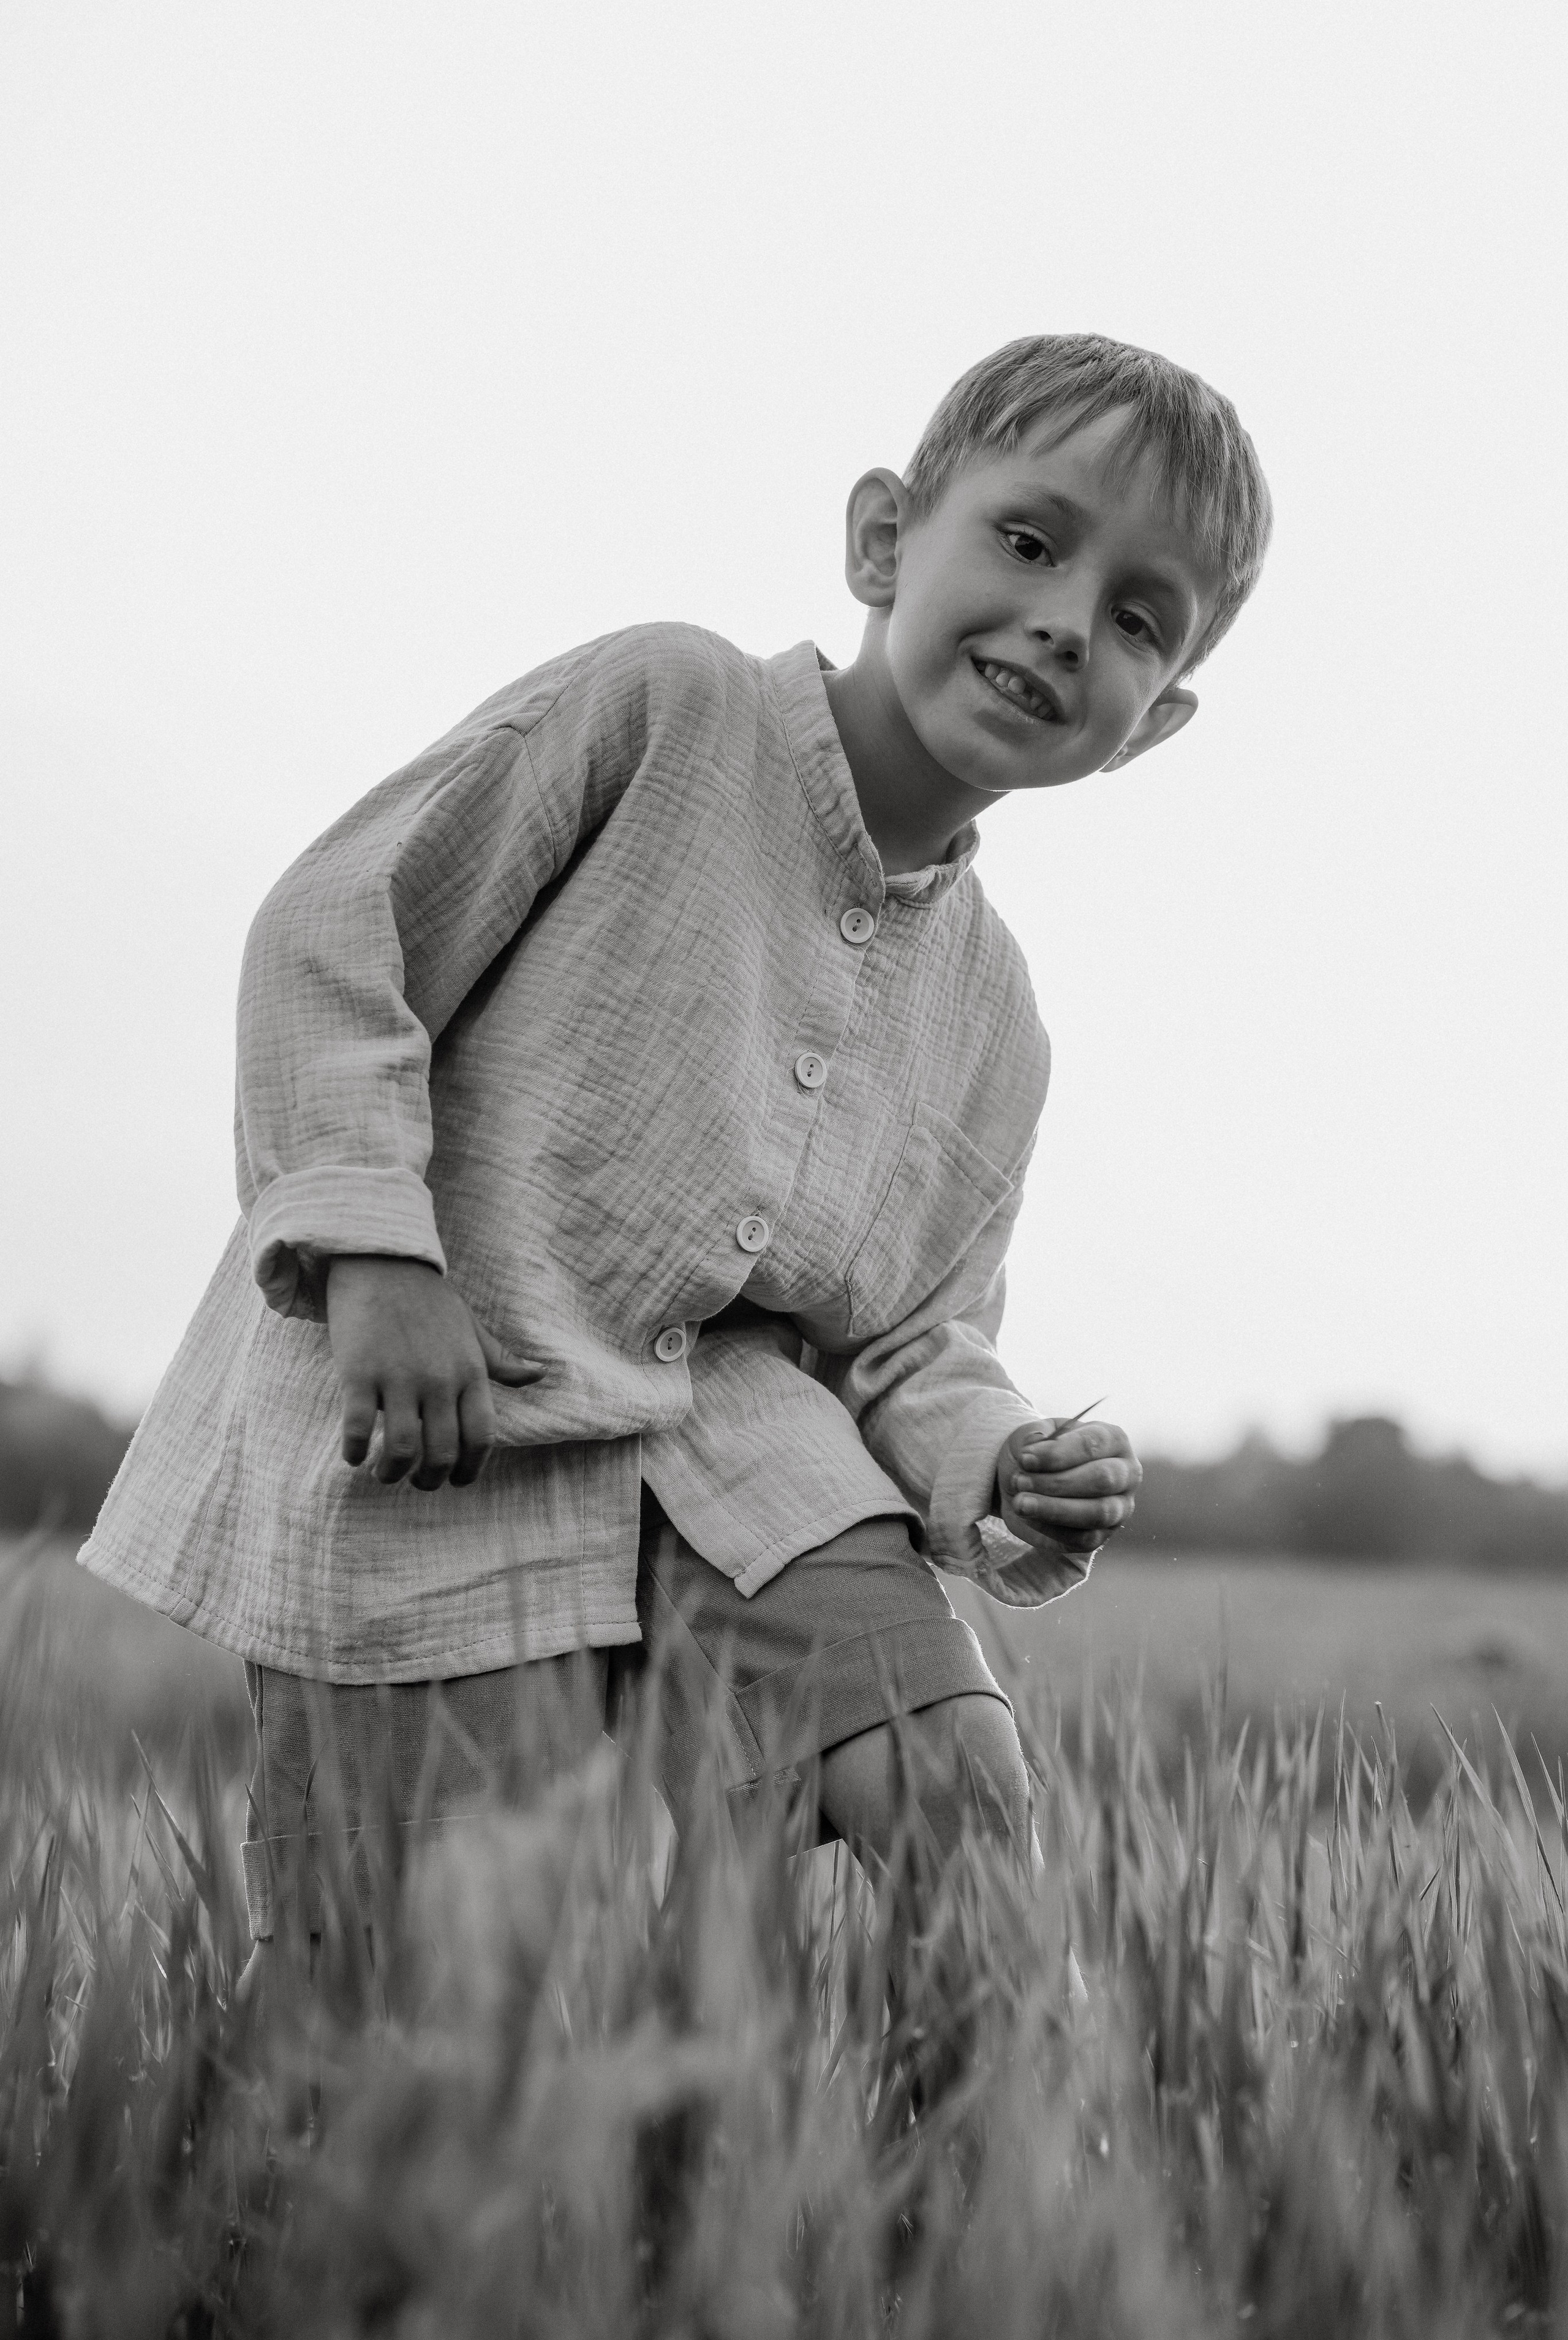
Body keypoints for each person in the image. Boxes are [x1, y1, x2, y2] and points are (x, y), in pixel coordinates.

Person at [78, 333, 1271, 1971]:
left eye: (1141, 617)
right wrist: (374, 1251)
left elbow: (916, 1335)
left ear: (1156, 720)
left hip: (743, 1456)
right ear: (880, 539)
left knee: (964, 1797)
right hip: (444, 1421)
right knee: (428, 2000)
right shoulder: (667, 709)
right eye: (1027, 539)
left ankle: (961, 2213)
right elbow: (334, 929)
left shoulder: (998, 1017)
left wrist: (999, 1457)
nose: (1070, 618)